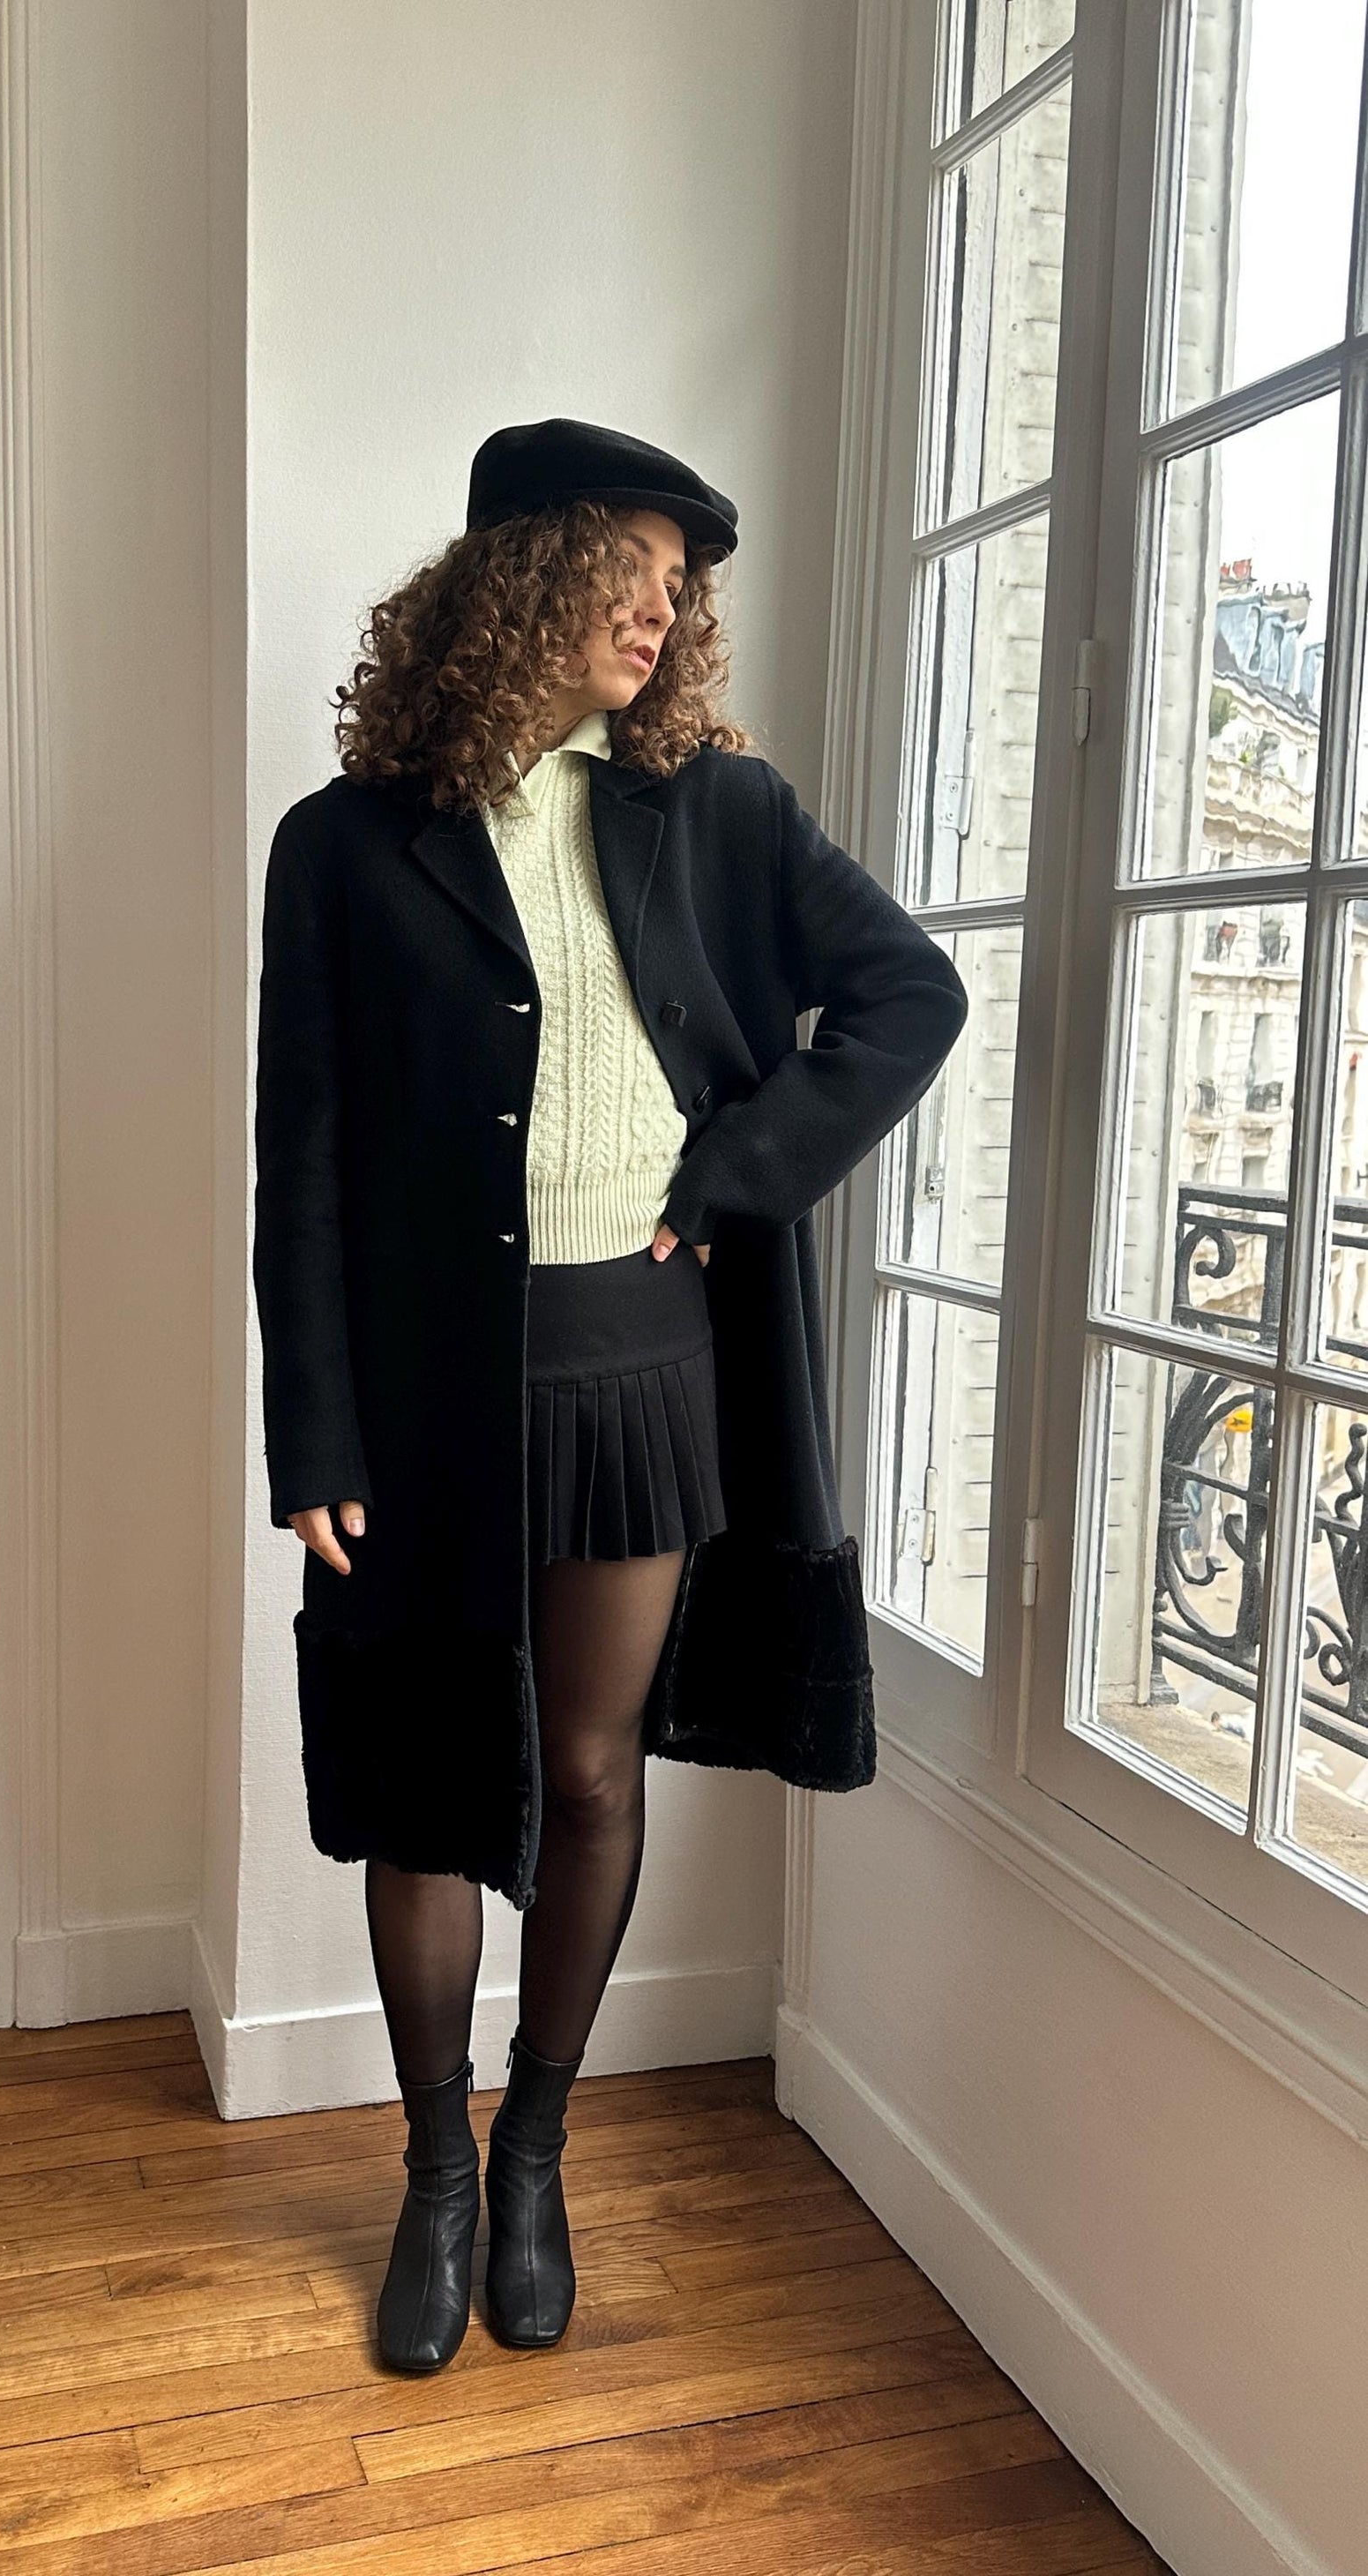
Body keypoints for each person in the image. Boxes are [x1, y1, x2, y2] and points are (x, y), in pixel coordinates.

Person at [251, 416, 967, 2376]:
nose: (662, 606)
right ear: (521, 579)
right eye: (627, 566)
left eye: (682, 580)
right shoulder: (343, 844)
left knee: (581, 1770)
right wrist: (306, 1424)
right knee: (425, 1773)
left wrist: (737, 1167)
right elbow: (298, 1149)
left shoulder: (716, 813)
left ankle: (540, 2144)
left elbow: (908, 989)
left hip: (641, 1369)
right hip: (415, 1394)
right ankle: (432, 2170)